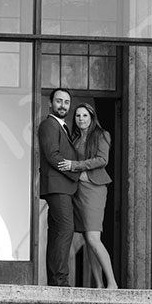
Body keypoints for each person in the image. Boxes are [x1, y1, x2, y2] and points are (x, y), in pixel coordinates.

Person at [59, 103, 118, 290]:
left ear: (91, 117)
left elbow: (103, 160)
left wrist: (75, 166)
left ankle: (112, 283)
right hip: (78, 191)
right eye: (78, 116)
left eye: (85, 115)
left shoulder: (101, 135)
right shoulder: (74, 138)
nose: (81, 119)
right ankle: (99, 285)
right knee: (88, 240)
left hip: (94, 189)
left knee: (93, 238)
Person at [38, 88, 80, 286]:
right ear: (50, 103)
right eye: (59, 101)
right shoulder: (49, 124)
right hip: (57, 186)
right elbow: (52, 155)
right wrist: (76, 171)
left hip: (61, 187)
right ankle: (60, 280)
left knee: (57, 233)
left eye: (66, 102)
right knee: (65, 230)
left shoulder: (62, 126)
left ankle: (56, 280)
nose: (63, 105)